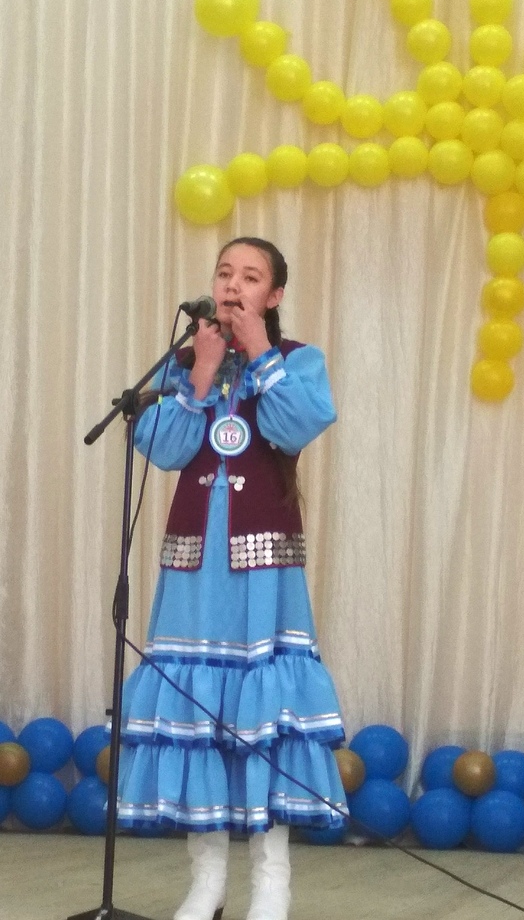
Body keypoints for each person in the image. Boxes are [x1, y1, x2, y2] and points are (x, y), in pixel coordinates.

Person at [116, 237, 348, 920]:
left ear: (274, 295)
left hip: (262, 570)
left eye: (250, 277)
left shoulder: (298, 358)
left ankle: (272, 883)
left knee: (261, 718)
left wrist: (260, 353)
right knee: (198, 716)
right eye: (224, 273)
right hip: (194, 568)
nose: (232, 286)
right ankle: (207, 883)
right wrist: (201, 373)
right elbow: (163, 448)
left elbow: (297, 424)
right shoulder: (188, 360)